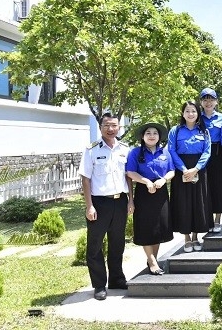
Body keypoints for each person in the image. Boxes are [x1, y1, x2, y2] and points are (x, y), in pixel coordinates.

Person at [79, 113, 134, 301]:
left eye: (114, 125)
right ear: (101, 127)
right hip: (99, 203)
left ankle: (117, 279)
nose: (110, 129)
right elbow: (85, 178)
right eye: (106, 125)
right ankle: (99, 285)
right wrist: (89, 206)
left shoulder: (125, 149)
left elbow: (129, 176)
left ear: (119, 127)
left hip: (120, 201)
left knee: (117, 243)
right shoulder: (91, 149)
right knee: (95, 246)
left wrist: (130, 200)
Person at [125, 122, 174, 276]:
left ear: (159, 137)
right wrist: (146, 181)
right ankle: (151, 261)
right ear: (143, 136)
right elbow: (130, 172)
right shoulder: (135, 152)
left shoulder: (165, 153)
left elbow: (172, 170)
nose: (152, 136)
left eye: (155, 133)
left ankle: (154, 257)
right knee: (146, 226)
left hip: (160, 192)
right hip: (143, 192)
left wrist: (164, 179)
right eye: (148, 133)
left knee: (159, 226)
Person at [168, 100, 213, 253]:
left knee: (198, 203)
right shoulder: (175, 130)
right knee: (184, 204)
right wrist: (183, 169)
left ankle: (195, 236)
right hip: (182, 170)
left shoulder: (204, 130)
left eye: (193, 111)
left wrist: (196, 168)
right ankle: (186, 238)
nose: (190, 114)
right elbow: (172, 150)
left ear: (198, 113)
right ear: (183, 113)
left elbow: (207, 151)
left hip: (199, 169)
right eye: (187, 111)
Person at [200, 87, 222, 233]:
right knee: (204, 188)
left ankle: (217, 220)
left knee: (218, 187)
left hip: (218, 154)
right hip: (201, 155)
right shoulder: (197, 117)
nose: (208, 103)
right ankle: (207, 220)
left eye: (211, 100)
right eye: (205, 100)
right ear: (201, 102)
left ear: (216, 102)